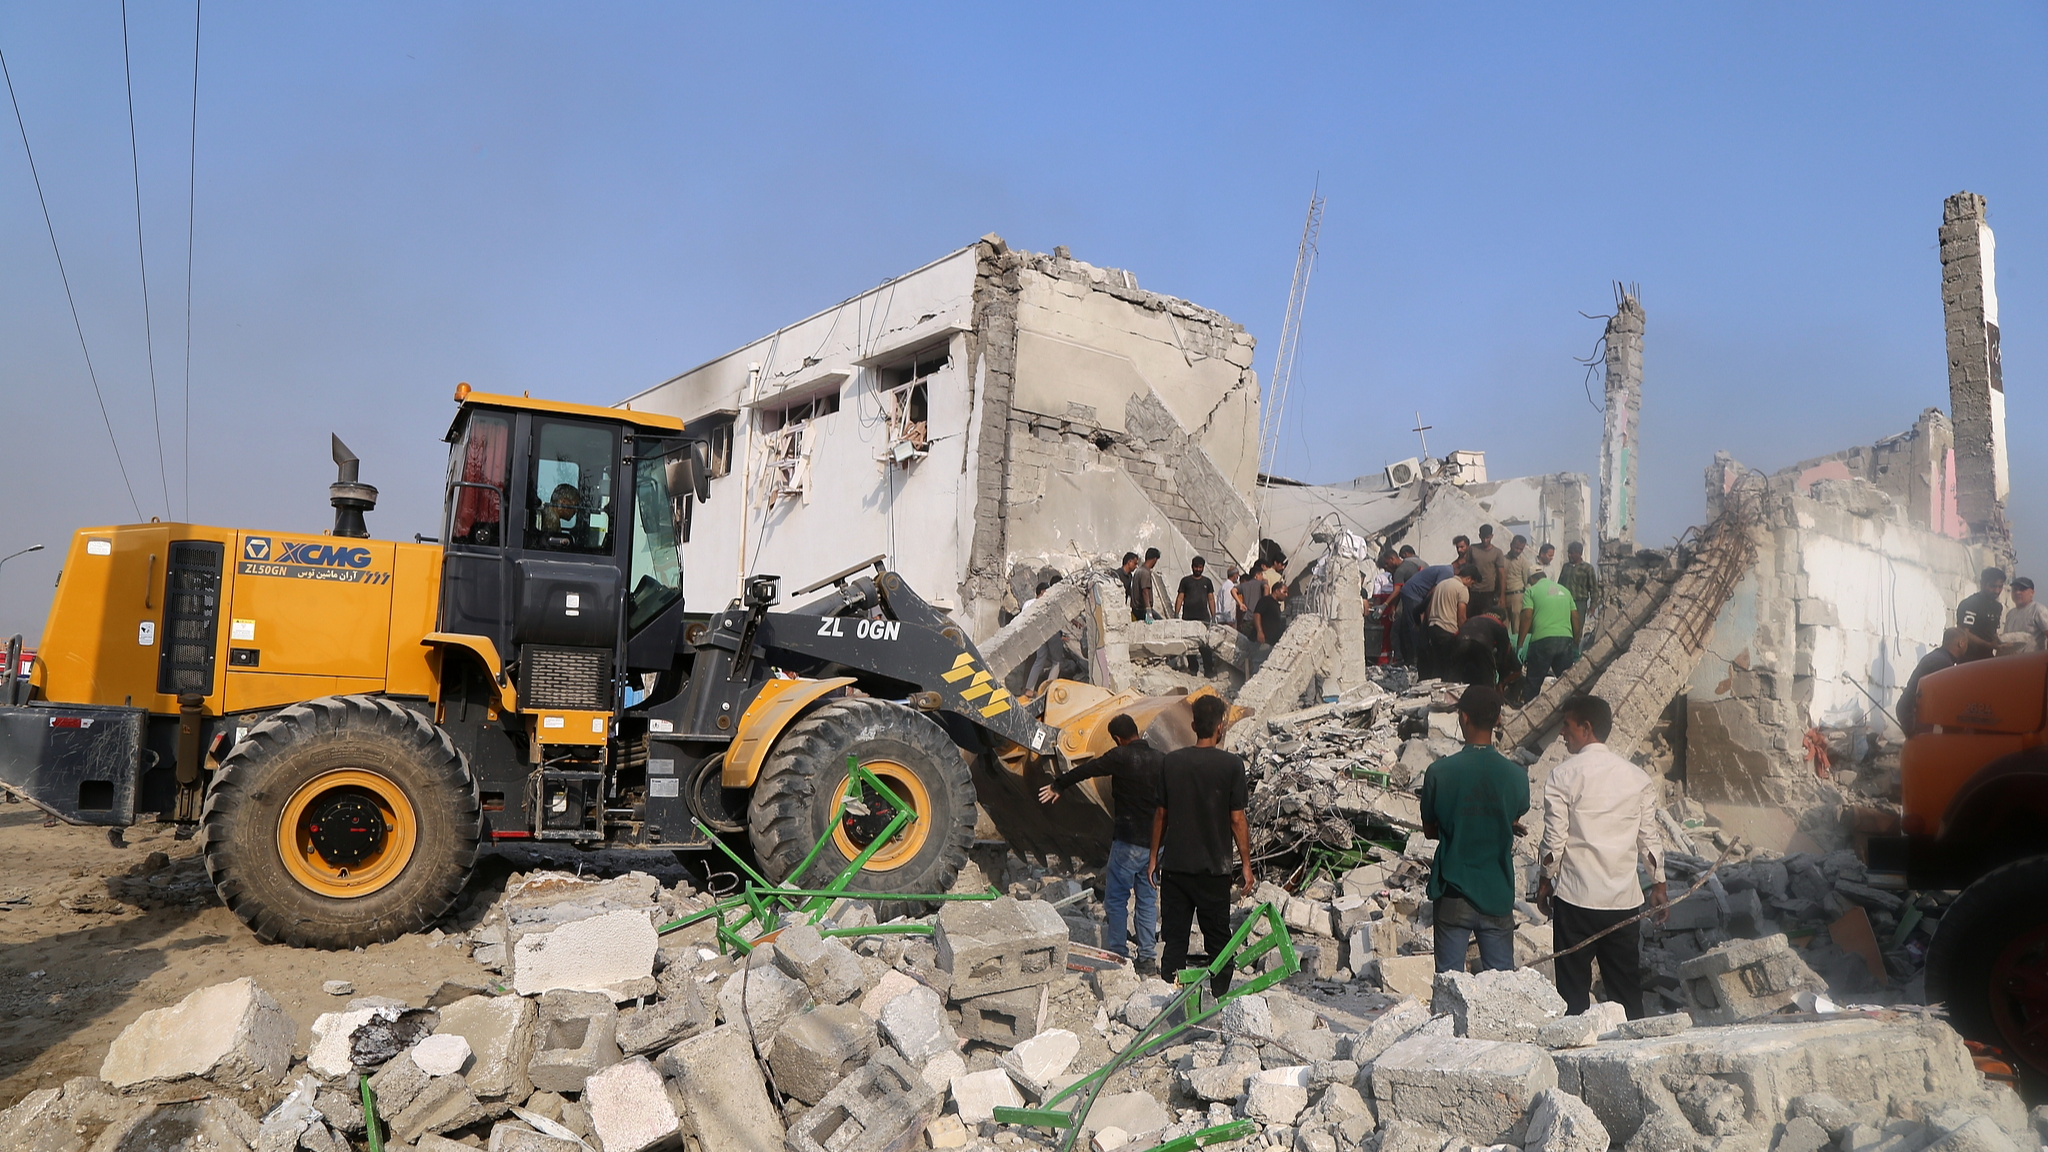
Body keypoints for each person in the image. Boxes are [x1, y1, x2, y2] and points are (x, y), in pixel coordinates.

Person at [1538, 695, 1667, 1017]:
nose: (1562, 733)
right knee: (1625, 989)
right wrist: (1659, 885)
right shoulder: (1637, 779)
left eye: (1567, 725)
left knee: (1572, 994)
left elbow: (1554, 840)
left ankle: (1574, 1056)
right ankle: (1634, 1052)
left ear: (1586, 728)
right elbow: (1648, 839)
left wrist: (1544, 882)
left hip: (1575, 901)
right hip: (1622, 903)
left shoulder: (1563, 776)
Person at [1040, 713, 1163, 975]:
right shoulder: (1161, 759)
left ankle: (1117, 955)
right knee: (1147, 899)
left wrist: (1059, 785)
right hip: (1154, 846)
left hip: (1127, 842)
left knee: (1117, 900)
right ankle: (1147, 959)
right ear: (1136, 732)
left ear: (1117, 739)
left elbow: (1088, 769)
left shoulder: (1120, 757)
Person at [1149, 694, 1253, 997]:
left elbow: (1161, 815)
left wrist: (1153, 858)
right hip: (1214, 870)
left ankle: (1170, 998)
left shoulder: (1172, 762)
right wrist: (1245, 865)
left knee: (1175, 938)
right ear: (1220, 727)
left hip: (1177, 869)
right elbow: (1237, 820)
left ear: (1193, 724)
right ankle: (1219, 998)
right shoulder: (1232, 765)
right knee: (1219, 940)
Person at [1420, 686, 1528, 973]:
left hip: (1453, 892)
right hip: (1496, 891)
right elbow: (1514, 815)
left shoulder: (1439, 772)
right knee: (1500, 983)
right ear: (1496, 721)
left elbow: (1430, 829)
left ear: (1464, 717)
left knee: (1449, 982)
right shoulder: (1516, 776)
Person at [1519, 572, 1582, 705]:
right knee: (1566, 681)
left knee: (1533, 682)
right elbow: (1575, 617)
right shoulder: (1565, 591)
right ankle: (1573, 709)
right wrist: (1576, 642)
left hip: (1542, 640)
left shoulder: (1531, 591)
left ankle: (1528, 713)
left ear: (1532, 579)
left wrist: (1520, 644)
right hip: (1565, 639)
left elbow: (1527, 617)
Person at [1898, 627, 1973, 733]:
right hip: (1912, 714)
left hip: (1910, 710)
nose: (1967, 647)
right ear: (1961, 643)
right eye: (1966, 643)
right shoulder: (1941, 663)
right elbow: (1944, 698)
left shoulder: (1940, 657)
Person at [1400, 563, 1456, 676]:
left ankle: (1413, 658)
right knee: (1417, 629)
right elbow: (1433, 592)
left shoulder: (1443, 569)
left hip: (1411, 592)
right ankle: (1417, 659)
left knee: (1411, 627)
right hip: (1414, 595)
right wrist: (1426, 609)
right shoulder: (1448, 573)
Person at [1424, 565, 1478, 680]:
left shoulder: (1441, 584)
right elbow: (1461, 617)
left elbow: (1429, 608)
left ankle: (1434, 692)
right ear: (1468, 578)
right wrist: (1465, 634)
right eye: (1472, 583)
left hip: (1433, 628)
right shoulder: (1462, 589)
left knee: (1437, 665)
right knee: (1450, 666)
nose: (1471, 586)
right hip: (1448, 631)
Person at [1453, 605, 1521, 692]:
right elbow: (1503, 653)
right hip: (1482, 644)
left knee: (1454, 678)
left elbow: (1456, 635)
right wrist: (1500, 679)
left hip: (1460, 641)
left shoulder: (1472, 619)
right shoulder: (1499, 625)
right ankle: (1488, 698)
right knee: (1487, 678)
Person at [1958, 567, 2007, 660]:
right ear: (1982, 584)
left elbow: (1993, 633)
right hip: (1969, 658)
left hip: (1987, 657)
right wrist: (1988, 645)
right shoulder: (1971, 604)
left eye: (2000, 586)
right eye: (1993, 586)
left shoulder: (1997, 607)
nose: (1997, 591)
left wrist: (2002, 644)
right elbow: (1963, 632)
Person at [1022, 581, 1064, 691]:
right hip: (1050, 632)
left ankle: (1029, 689)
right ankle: (1048, 689)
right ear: (1043, 592)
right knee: (1057, 662)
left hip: (1035, 636)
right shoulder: (1047, 602)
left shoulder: (1028, 603)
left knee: (1039, 659)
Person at [2000, 577, 2048, 654]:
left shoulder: (2038, 610)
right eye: (2015, 589)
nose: (2017, 592)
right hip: (2012, 662)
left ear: (2032, 593)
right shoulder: (2010, 614)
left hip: (2032, 662)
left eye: (2022, 589)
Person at [1467, 525, 1507, 619]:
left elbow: (1501, 575)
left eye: (1487, 537)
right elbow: (1466, 569)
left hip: (1489, 592)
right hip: (1473, 591)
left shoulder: (1497, 552)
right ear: (1479, 536)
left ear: (1492, 536)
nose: (1485, 540)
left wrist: (1502, 596)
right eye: (1483, 537)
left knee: (1487, 619)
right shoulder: (1472, 549)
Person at [1251, 581, 1289, 672]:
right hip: (1264, 640)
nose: (1286, 595)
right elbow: (1257, 614)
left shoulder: (1275, 604)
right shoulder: (1266, 600)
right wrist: (1260, 631)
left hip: (1271, 641)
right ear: (1276, 591)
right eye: (1284, 592)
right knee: (1258, 663)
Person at [1501, 535, 1532, 637]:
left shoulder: (1524, 562)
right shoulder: (1502, 559)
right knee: (1502, 625)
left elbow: (1528, 582)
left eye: (1521, 549)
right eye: (1516, 547)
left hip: (1517, 596)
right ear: (1511, 545)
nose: (1518, 551)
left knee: (1516, 626)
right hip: (1503, 596)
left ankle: (1516, 650)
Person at [1558, 543, 1598, 617]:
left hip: (1579, 603)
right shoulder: (1566, 567)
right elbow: (1559, 585)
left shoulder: (1587, 568)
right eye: (1568, 553)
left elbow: (1594, 589)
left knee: (1577, 626)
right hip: (1564, 602)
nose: (1569, 555)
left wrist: (1593, 606)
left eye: (1572, 553)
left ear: (1579, 554)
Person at [1175, 557, 1217, 623]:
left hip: (1203, 618)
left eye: (1200, 567)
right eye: (1196, 567)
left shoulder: (1207, 582)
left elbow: (1211, 599)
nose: (1198, 569)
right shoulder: (1185, 581)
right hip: (1188, 618)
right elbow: (1180, 598)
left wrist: (1213, 616)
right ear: (1192, 567)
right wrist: (1176, 614)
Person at [1235, 563, 1268, 640]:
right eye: (1261, 575)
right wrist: (1266, 602)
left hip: (1246, 618)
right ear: (1257, 575)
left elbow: (1233, 590)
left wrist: (1240, 604)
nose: (1262, 577)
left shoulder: (1244, 584)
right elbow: (1266, 587)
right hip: (1258, 619)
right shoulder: (1261, 583)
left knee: (1245, 642)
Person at [1119, 552, 1145, 621]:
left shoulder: (1130, 576)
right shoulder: (1117, 574)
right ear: (1129, 562)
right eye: (1135, 563)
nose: (1136, 566)